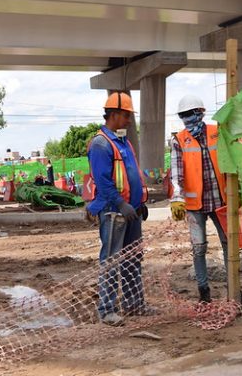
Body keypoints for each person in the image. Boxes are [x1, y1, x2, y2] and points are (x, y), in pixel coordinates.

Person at [169, 94, 242, 306]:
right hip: (194, 205)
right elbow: (176, 172)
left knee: (229, 244)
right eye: (184, 115)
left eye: (191, 114)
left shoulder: (217, 133)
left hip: (221, 201)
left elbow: (232, 162)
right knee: (199, 248)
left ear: (201, 113)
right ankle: (204, 293)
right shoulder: (179, 140)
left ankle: (235, 290)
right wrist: (177, 198)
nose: (188, 119)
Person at [86, 91, 151, 326]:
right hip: (114, 212)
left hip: (131, 211)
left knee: (133, 259)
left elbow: (132, 174)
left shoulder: (123, 142)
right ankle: (106, 309)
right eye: (125, 115)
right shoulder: (101, 144)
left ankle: (134, 304)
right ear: (113, 115)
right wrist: (121, 203)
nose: (129, 120)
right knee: (112, 260)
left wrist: (138, 202)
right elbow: (103, 182)